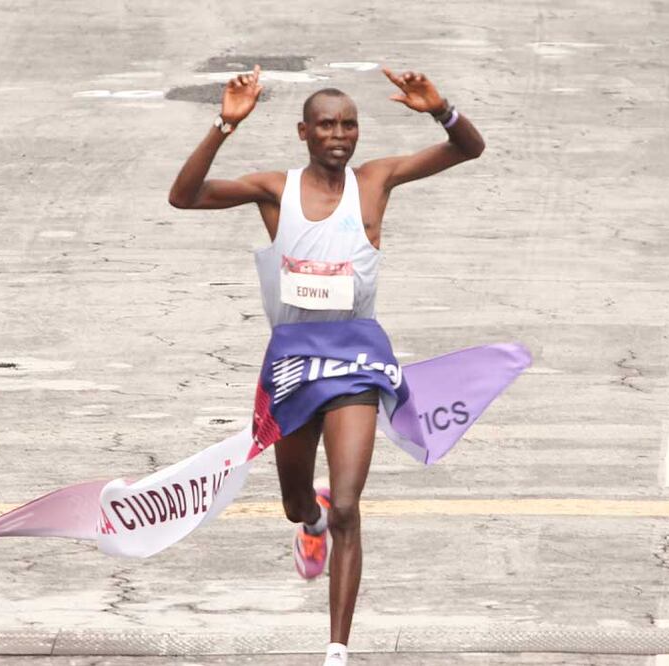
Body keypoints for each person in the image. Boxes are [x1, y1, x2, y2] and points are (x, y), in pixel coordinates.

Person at [167, 64, 485, 666]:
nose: (340, 136)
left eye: (349, 125)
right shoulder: (275, 191)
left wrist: (440, 108)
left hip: (358, 361)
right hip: (291, 363)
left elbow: (468, 149)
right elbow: (183, 196)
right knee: (300, 503)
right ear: (304, 133)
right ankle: (305, 522)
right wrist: (223, 125)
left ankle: (336, 649)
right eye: (326, 126)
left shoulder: (376, 181)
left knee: (348, 506)